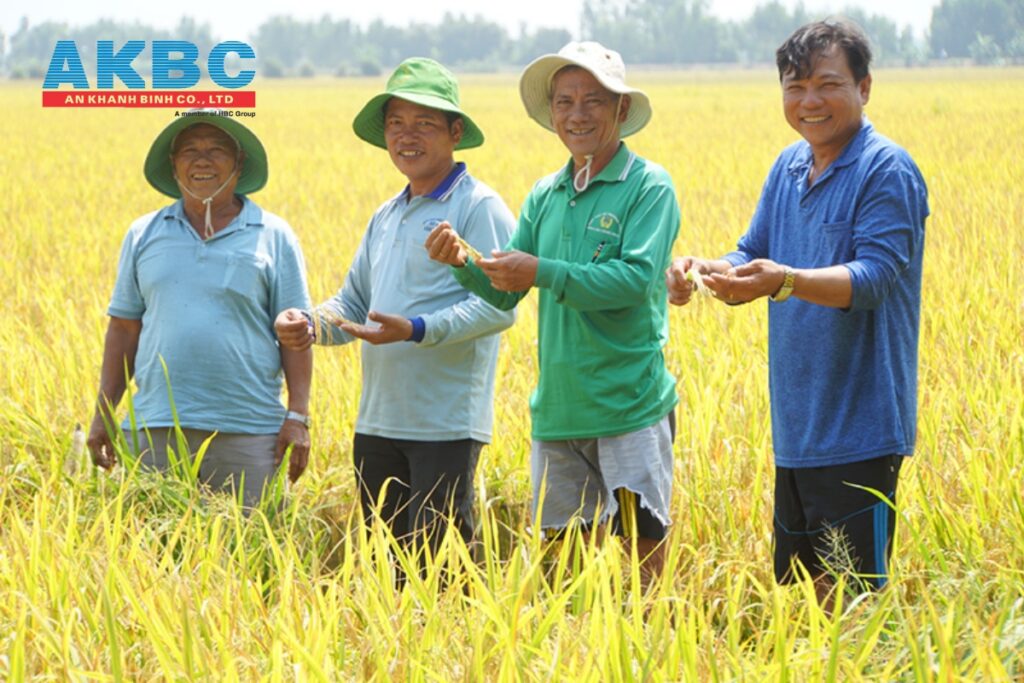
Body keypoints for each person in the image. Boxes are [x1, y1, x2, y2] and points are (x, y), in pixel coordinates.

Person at [666, 20, 928, 601]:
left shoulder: (886, 169)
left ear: (864, 87)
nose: (810, 101)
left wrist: (783, 281)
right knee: (801, 597)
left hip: (860, 429)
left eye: (828, 84)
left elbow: (874, 279)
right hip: (797, 429)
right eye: (796, 86)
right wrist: (710, 270)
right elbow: (752, 252)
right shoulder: (788, 167)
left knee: (852, 603)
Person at [427, 42, 680, 580]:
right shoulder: (546, 194)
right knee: (563, 571)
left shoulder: (648, 187)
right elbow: (505, 292)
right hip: (559, 412)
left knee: (642, 561)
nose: (577, 114)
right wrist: (463, 262)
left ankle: (647, 637)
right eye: (565, 102)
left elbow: (635, 281)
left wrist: (541, 270)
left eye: (593, 100)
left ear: (621, 109)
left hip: (629, 408)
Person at [274, 58, 515, 553]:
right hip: (377, 423)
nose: (407, 136)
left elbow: (499, 306)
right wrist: (310, 324)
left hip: (445, 425)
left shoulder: (479, 207)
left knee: (441, 566)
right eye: (396, 123)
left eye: (424, 123)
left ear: (455, 132)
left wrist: (417, 328)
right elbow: (354, 303)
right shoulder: (386, 215)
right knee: (387, 567)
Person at [87, 110, 314, 506]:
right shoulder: (144, 233)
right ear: (173, 165)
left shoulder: (274, 235)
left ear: (239, 163)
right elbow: (123, 329)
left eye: (216, 150)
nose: (203, 160)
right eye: (190, 151)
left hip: (249, 430)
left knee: (251, 539)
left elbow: (297, 336)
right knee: (150, 540)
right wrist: (103, 412)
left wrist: (297, 416)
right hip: (156, 427)